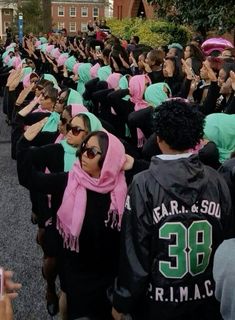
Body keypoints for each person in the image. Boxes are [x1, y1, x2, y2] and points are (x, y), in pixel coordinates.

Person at [112, 98, 235, 320]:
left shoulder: (143, 183)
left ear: (158, 139)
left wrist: (123, 298)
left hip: (160, 302)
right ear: (197, 138)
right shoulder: (217, 180)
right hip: (208, 298)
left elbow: (135, 251)